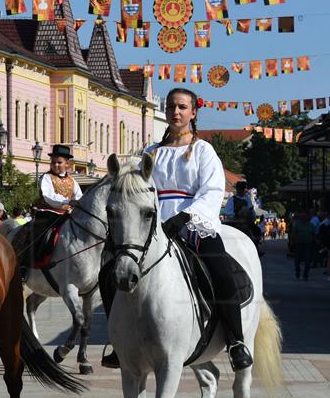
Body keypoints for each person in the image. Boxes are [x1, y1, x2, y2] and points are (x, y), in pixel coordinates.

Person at [101, 87, 254, 372]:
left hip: (192, 224)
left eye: (182, 107)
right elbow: (134, 190)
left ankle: (235, 340)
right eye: (171, 106)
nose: (175, 112)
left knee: (220, 270)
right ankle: (117, 341)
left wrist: (185, 217)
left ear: (193, 112)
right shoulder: (149, 153)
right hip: (151, 226)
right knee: (107, 270)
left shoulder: (203, 150)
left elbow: (211, 190)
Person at [11, 144, 82, 272]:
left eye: (59, 162)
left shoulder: (73, 181)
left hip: (66, 215)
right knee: (38, 235)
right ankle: (24, 265)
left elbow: (79, 196)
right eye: (53, 163)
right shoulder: (46, 178)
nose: (55, 165)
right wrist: (68, 201)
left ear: (67, 164)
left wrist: (79, 204)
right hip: (47, 214)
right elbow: (49, 196)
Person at [290, 212, 316, 281]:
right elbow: (293, 233)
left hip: (308, 244)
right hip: (298, 244)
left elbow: (314, 234)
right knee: (297, 260)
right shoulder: (297, 225)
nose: (305, 218)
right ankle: (298, 271)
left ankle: (305, 275)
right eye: (304, 217)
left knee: (308, 260)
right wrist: (292, 241)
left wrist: (315, 242)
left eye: (307, 217)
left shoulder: (311, 225)